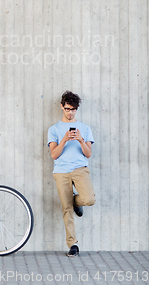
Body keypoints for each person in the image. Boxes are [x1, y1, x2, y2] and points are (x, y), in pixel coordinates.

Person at [47, 91, 95, 257]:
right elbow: (54, 155)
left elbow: (88, 154)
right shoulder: (54, 129)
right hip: (61, 171)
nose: (70, 112)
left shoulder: (85, 128)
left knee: (89, 199)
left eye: (73, 109)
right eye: (67, 109)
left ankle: (77, 201)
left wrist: (81, 140)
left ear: (76, 109)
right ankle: (73, 244)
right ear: (62, 107)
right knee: (66, 208)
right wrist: (65, 139)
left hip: (80, 169)